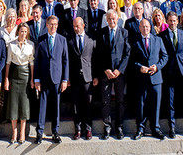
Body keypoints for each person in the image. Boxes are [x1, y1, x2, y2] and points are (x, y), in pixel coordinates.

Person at [32, 15, 69, 144]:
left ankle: (55, 132)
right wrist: (36, 79)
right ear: (46, 25)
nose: (53, 26)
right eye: (50, 24)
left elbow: (65, 61)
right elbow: (37, 61)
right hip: (43, 78)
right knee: (42, 106)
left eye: (55, 24)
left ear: (57, 25)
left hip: (57, 78)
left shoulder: (62, 40)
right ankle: (39, 132)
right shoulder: (41, 40)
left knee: (55, 107)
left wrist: (65, 80)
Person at [94, 9, 129, 139]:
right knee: (105, 101)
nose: (112, 21)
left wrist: (119, 70)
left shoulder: (124, 32)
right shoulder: (101, 33)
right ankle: (107, 127)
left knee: (120, 101)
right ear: (106, 20)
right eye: (109, 19)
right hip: (106, 73)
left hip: (119, 73)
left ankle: (119, 127)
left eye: (114, 19)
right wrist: (105, 69)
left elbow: (127, 53)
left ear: (117, 19)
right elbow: (98, 54)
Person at [131, 16, 167, 139]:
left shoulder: (158, 40)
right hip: (141, 79)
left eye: (147, 26)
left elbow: (165, 56)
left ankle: (156, 129)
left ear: (150, 27)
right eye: (143, 26)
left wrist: (157, 67)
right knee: (141, 105)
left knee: (156, 105)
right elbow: (132, 60)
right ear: (139, 28)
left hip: (156, 78)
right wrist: (139, 67)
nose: (145, 28)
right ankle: (140, 129)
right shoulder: (134, 41)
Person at [160, 11, 183, 138]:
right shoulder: (161, 36)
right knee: (170, 101)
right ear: (167, 22)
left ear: (177, 21)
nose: (172, 23)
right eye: (170, 21)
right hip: (169, 72)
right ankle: (171, 127)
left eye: (174, 20)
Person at [5, 22, 35, 144]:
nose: (23, 34)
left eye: (25, 32)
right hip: (14, 74)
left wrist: (33, 79)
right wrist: (6, 78)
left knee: (24, 103)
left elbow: (32, 63)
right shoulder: (11, 45)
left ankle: (22, 131)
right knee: (13, 103)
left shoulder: (31, 45)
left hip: (26, 74)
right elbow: (8, 62)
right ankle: (14, 131)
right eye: (21, 31)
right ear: (18, 32)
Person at [66, 16, 94, 140]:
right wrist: (67, 78)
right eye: (74, 26)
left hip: (88, 76)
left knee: (88, 103)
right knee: (76, 104)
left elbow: (95, 59)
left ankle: (88, 129)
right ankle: (77, 128)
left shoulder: (91, 39)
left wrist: (96, 76)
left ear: (83, 25)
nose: (75, 28)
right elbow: (67, 61)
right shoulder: (70, 40)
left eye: (77, 26)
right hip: (75, 77)